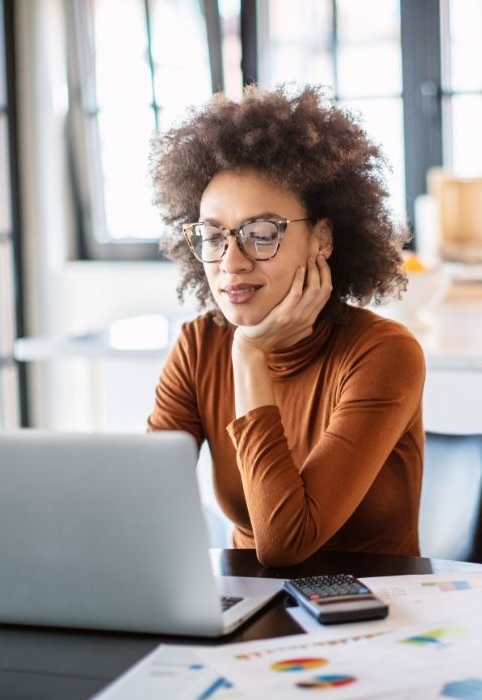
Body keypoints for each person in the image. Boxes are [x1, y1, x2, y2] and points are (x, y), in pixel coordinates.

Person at [146, 86, 425, 567]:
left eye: (260, 234)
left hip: (369, 619)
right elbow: (142, 507)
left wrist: (249, 355)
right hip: (243, 609)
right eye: (213, 235)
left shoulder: (383, 353)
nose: (230, 263)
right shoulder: (197, 346)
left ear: (322, 238)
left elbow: (284, 543)